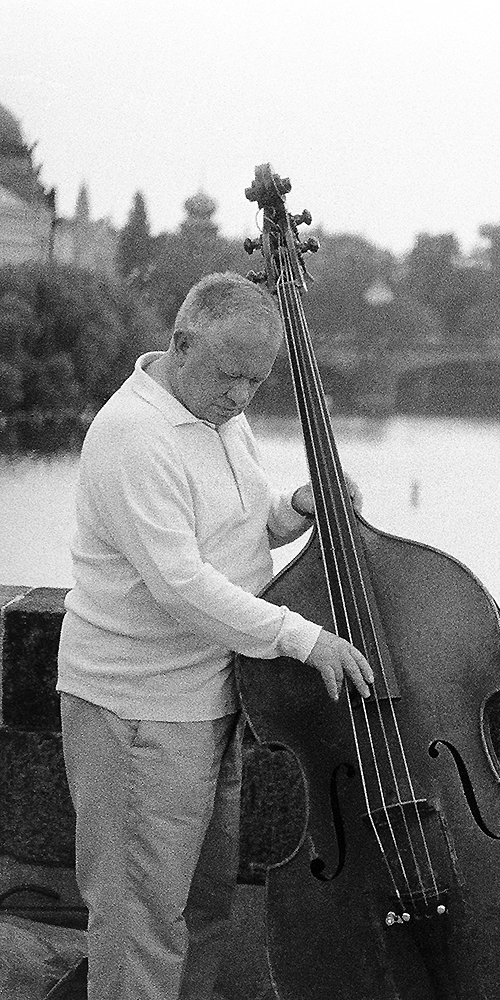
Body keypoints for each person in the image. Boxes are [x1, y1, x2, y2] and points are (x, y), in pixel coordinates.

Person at [55, 272, 375, 1000]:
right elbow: (181, 586)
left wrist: (296, 503)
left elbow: (244, 516)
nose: (240, 397)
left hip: (208, 700)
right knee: (141, 925)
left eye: (256, 383)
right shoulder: (133, 433)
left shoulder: (217, 413)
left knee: (201, 910)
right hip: (139, 711)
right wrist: (304, 638)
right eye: (231, 376)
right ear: (181, 342)